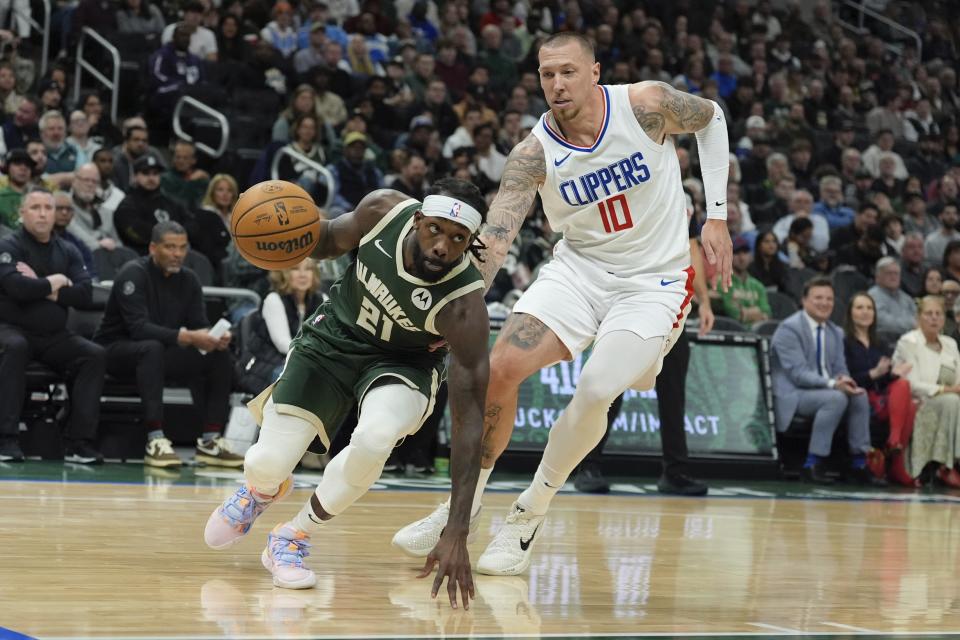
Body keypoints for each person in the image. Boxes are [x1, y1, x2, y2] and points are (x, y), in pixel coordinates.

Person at [392, 33, 732, 575]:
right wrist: (454, 306)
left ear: (594, 72)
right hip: (579, 272)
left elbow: (712, 119)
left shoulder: (645, 105)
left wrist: (716, 213)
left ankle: (529, 513)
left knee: (596, 388)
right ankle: (467, 503)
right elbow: (498, 234)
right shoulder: (532, 154)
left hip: (655, 282)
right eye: (547, 74)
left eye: (568, 72)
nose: (557, 84)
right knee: (500, 367)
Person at [202, 179, 489, 607]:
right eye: (435, 230)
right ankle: (262, 490)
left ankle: (293, 536)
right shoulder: (381, 211)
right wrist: (279, 232)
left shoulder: (463, 306)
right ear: (417, 219)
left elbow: (469, 423)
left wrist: (458, 529)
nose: (442, 247)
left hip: (403, 364)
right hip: (333, 338)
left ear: (470, 241)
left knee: (376, 437)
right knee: (265, 463)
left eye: (458, 239)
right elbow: (325, 240)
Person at [93, 221, 241, 469]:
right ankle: (155, 439)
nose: (177, 254)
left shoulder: (190, 279)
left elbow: (199, 323)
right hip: (116, 351)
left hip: (160, 351)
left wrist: (214, 338)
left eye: (182, 248)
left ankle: (210, 441)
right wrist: (190, 337)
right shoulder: (132, 274)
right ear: (153, 248)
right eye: (170, 247)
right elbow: (138, 329)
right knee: (151, 347)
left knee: (217, 356)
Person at [0, 189, 106, 463]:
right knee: (15, 347)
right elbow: (15, 287)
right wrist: (57, 280)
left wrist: (43, 285)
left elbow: (85, 295)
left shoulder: (68, 249)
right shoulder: (9, 245)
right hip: (11, 329)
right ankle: (6, 439)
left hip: (54, 335)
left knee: (93, 354)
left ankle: (78, 443)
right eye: (35, 207)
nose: (43, 213)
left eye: (48, 207)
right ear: (21, 213)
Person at [770, 277, 883, 486]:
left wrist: (845, 379)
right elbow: (798, 374)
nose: (824, 303)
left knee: (859, 395)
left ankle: (859, 463)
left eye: (829, 299)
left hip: (824, 391)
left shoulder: (835, 332)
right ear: (804, 301)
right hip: (794, 394)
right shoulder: (789, 329)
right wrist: (833, 384)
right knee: (836, 399)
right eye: (818, 298)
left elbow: (840, 368)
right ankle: (813, 463)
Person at [842, 292, 914, 484]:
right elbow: (845, 378)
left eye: (869, 308)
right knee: (906, 398)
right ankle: (895, 456)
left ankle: (895, 447)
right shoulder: (844, 343)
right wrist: (874, 374)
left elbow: (883, 382)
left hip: (880, 397)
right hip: (859, 396)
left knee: (905, 388)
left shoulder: (880, 343)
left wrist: (892, 374)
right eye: (860, 308)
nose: (865, 312)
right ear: (850, 313)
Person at [892, 296, 960, 488]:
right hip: (918, 403)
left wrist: (954, 390)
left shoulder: (950, 344)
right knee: (951, 401)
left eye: (938, 314)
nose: (934, 318)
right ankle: (945, 465)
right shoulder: (908, 342)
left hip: (949, 400)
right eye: (928, 314)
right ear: (918, 317)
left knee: (953, 401)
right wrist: (946, 390)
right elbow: (912, 384)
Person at [721, 236, 770, 324]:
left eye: (745, 252)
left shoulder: (758, 286)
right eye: (736, 253)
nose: (742, 258)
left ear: (751, 256)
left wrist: (744, 312)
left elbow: (767, 313)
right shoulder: (722, 281)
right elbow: (732, 313)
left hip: (756, 334)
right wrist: (757, 312)